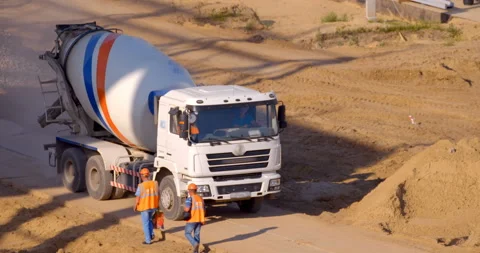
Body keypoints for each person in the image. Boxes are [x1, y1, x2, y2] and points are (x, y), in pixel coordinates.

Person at [134, 168, 160, 245]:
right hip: (153, 206)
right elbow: (159, 193)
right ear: (148, 175)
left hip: (144, 207)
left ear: (142, 176)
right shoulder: (155, 183)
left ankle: (148, 240)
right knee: (150, 221)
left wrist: (135, 205)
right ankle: (151, 234)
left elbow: (138, 197)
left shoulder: (141, 186)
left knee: (146, 223)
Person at [184, 183, 206, 253]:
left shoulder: (190, 199)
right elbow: (204, 209)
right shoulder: (200, 198)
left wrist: (184, 208)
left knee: (187, 233)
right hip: (199, 219)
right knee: (196, 234)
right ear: (196, 190)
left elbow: (187, 209)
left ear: (189, 191)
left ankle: (194, 243)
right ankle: (196, 251)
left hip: (192, 220)